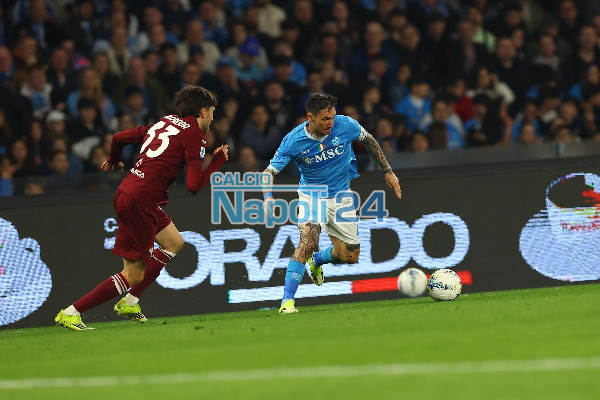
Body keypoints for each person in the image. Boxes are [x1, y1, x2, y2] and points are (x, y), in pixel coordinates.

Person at [55, 85, 229, 330]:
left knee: (174, 242)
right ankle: (71, 312)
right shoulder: (194, 135)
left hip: (130, 191)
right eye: (211, 112)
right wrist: (216, 162)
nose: (212, 118)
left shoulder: (166, 122)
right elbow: (193, 186)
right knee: (133, 274)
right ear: (203, 111)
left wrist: (114, 159)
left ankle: (131, 301)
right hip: (141, 201)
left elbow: (119, 138)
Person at [262, 93, 401, 314]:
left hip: (341, 195)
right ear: (310, 117)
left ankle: (317, 260)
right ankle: (287, 302)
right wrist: (268, 197)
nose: (331, 123)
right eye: (325, 119)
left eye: (332, 117)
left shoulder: (345, 125)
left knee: (350, 256)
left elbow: (369, 140)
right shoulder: (293, 140)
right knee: (307, 243)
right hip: (312, 196)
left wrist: (388, 171)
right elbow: (268, 172)